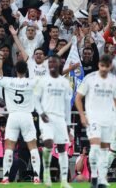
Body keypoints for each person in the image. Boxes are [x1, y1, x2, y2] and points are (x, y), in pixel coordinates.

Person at [75, 54, 116, 188]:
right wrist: (82, 115)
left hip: (108, 120)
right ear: (99, 65)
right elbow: (78, 98)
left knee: (104, 151)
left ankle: (102, 179)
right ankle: (93, 177)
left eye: (106, 66)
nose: (104, 68)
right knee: (95, 147)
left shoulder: (114, 81)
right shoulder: (90, 78)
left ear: (110, 66)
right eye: (102, 66)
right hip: (93, 119)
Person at [0, 57, 41, 184]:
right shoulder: (32, 82)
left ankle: (5, 178)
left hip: (13, 116)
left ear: (15, 70)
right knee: (33, 148)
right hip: (27, 116)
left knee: (9, 148)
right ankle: (36, 177)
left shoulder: (9, 81)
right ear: (26, 70)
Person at [35, 55, 72, 188]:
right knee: (49, 144)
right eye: (49, 62)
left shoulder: (65, 82)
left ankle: (63, 181)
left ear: (59, 63)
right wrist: (41, 113)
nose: (51, 64)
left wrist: (68, 124)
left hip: (60, 118)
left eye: (53, 62)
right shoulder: (42, 81)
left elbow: (68, 105)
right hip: (46, 117)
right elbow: (35, 100)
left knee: (62, 148)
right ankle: (46, 173)